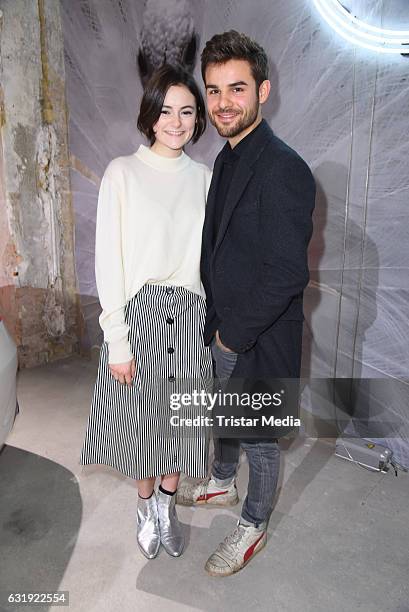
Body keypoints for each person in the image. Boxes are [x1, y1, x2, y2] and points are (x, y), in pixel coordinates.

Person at [176, 31, 316, 576]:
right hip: (225, 324)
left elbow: (287, 272)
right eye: (213, 91)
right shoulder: (228, 156)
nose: (223, 103)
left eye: (236, 88)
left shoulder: (283, 168)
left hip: (256, 332)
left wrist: (231, 338)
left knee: (258, 437)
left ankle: (253, 524)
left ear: (263, 89)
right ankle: (217, 484)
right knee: (222, 416)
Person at [80, 64, 213, 560]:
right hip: (141, 318)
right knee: (143, 427)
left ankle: (166, 506)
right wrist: (117, 339)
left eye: (186, 111)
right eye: (165, 111)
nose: (175, 122)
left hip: (191, 315)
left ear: (197, 118)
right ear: (150, 116)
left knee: (181, 426)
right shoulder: (123, 173)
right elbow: (107, 261)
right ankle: (143, 506)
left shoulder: (203, 177)